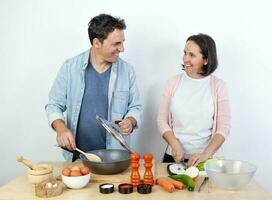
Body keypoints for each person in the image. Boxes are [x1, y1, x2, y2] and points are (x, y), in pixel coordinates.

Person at [46, 14, 143, 161]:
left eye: (122, 42)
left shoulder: (127, 71)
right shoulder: (70, 67)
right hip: (77, 157)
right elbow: (53, 105)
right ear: (97, 43)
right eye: (116, 44)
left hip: (115, 158)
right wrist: (61, 128)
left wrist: (131, 120)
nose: (122, 48)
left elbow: (136, 106)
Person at [157, 33, 230, 167]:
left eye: (192, 55)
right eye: (185, 53)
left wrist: (205, 154)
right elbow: (162, 121)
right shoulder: (172, 83)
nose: (185, 59)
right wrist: (174, 144)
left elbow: (223, 127)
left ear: (206, 60)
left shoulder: (219, 86)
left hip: (207, 160)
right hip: (174, 158)